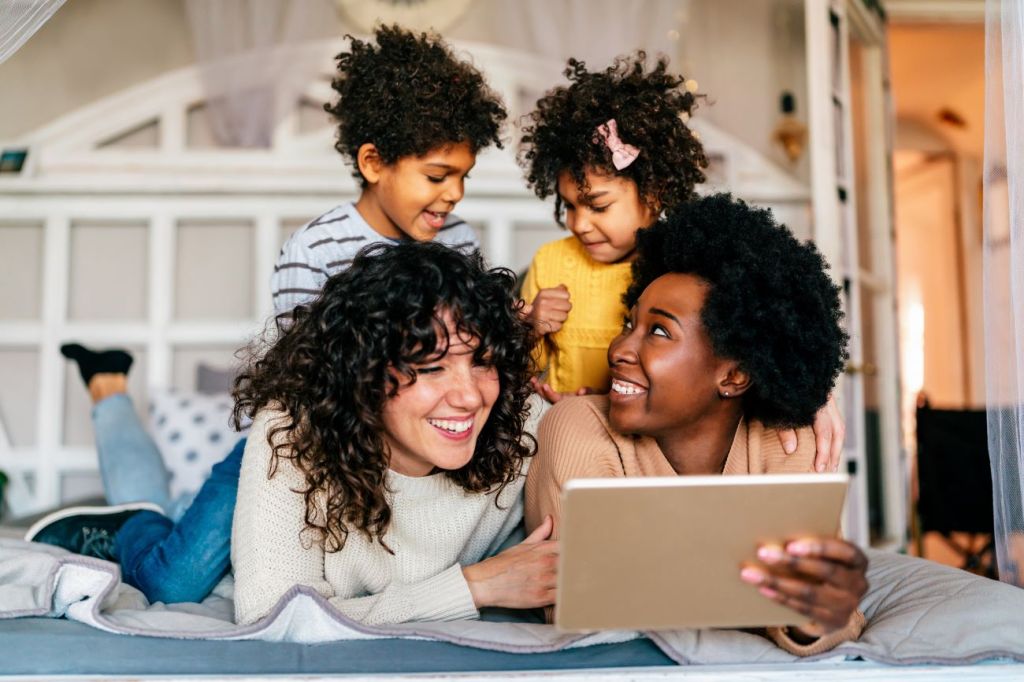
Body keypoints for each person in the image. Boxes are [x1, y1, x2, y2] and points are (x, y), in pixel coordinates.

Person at [27, 24, 509, 606]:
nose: (454, 194)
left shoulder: (455, 241)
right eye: (437, 176)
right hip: (307, 435)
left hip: (398, 447)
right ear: (374, 162)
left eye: (463, 176)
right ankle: (131, 528)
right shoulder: (315, 248)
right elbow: (306, 379)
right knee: (175, 582)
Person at [525, 194, 867, 655]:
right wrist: (753, 599)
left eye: (659, 331)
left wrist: (808, 617)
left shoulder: (782, 441)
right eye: (629, 324)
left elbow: (829, 615)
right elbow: (579, 602)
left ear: (734, 375)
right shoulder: (578, 428)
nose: (620, 350)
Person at [517, 52, 844, 471]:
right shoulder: (551, 262)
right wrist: (531, 327)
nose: (579, 224)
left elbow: (762, 336)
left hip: (659, 440)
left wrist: (815, 393)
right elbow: (523, 368)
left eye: (597, 206)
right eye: (568, 207)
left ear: (652, 194)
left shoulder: (680, 270)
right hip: (575, 430)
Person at [233, 241, 556, 625]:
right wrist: (475, 586)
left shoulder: (525, 419)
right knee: (179, 579)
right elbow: (271, 617)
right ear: (363, 374)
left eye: (483, 362)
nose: (470, 397)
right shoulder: (291, 431)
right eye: (433, 367)